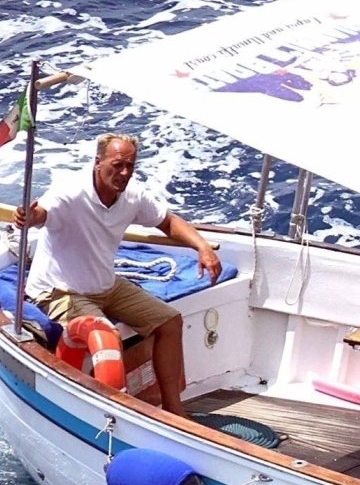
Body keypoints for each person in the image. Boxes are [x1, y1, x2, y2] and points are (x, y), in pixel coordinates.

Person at [14, 133, 220, 417]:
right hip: (60, 290)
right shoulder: (70, 192)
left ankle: (174, 410)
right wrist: (29, 217)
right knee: (106, 336)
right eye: (117, 165)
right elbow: (41, 214)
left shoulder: (132, 195)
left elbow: (168, 221)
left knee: (170, 322)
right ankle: (114, 418)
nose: (124, 173)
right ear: (98, 162)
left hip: (105, 284)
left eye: (130, 166)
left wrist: (202, 247)